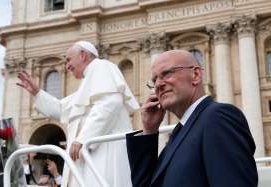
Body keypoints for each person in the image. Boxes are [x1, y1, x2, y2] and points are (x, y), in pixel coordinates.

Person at [126, 50, 258, 187]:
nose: (158, 84)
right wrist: (149, 132)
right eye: (154, 80)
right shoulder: (181, 131)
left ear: (195, 75)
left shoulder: (218, 117)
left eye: (167, 73)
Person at [17, 41, 139, 187]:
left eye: (69, 59)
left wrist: (83, 138)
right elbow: (62, 109)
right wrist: (37, 93)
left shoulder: (102, 66)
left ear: (83, 55)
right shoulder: (86, 84)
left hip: (104, 154)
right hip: (89, 157)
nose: (67, 66)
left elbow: (110, 102)